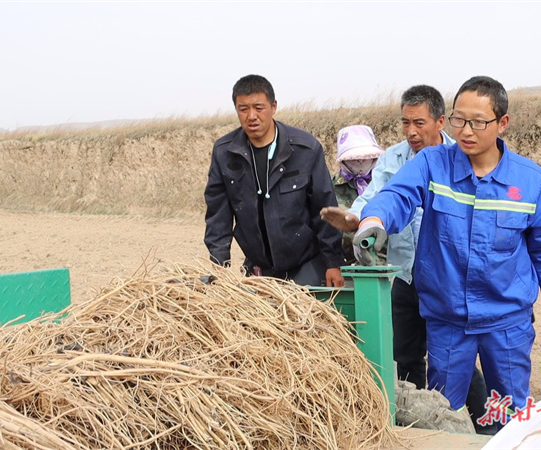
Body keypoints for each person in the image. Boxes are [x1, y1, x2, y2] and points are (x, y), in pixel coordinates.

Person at [345, 76, 541, 423]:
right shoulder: (433, 164)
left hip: (506, 320)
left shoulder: (529, 180)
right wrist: (374, 220)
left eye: (478, 122)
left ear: (502, 123)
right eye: (459, 120)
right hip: (448, 319)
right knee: (442, 413)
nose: (466, 131)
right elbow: (397, 195)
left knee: (508, 413)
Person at [321, 85, 494, 434]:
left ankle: (482, 424)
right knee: (406, 352)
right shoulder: (394, 158)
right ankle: (417, 425)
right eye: (405, 123)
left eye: (419, 122)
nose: (411, 132)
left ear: (440, 121)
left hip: (448, 276)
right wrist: (357, 218)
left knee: (453, 355)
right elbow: (376, 195)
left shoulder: (461, 157)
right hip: (403, 273)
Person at [204, 74, 345, 287]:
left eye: (259, 107)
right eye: (243, 109)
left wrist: (333, 262)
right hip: (258, 268)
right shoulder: (225, 152)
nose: (251, 116)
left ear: (273, 106)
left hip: (305, 263)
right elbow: (218, 214)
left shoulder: (305, 148)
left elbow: (324, 207)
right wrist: (219, 263)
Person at [331, 125, 386, 265]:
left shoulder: (385, 183)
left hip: (386, 266)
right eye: (355, 158)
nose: (360, 162)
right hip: (345, 267)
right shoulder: (329, 187)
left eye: (365, 157)